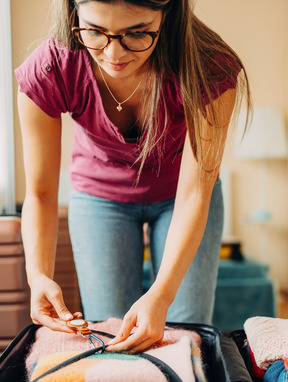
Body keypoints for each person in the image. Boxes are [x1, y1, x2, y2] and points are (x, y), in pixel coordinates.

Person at [16, 0, 250, 352]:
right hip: (98, 196)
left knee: (183, 332)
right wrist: (38, 276)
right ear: (72, 13)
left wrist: (161, 294)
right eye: (95, 31)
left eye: (137, 33)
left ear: (168, 15)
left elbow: (194, 195)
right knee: (110, 332)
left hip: (181, 196)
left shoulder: (209, 66)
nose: (113, 53)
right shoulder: (51, 67)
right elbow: (41, 193)